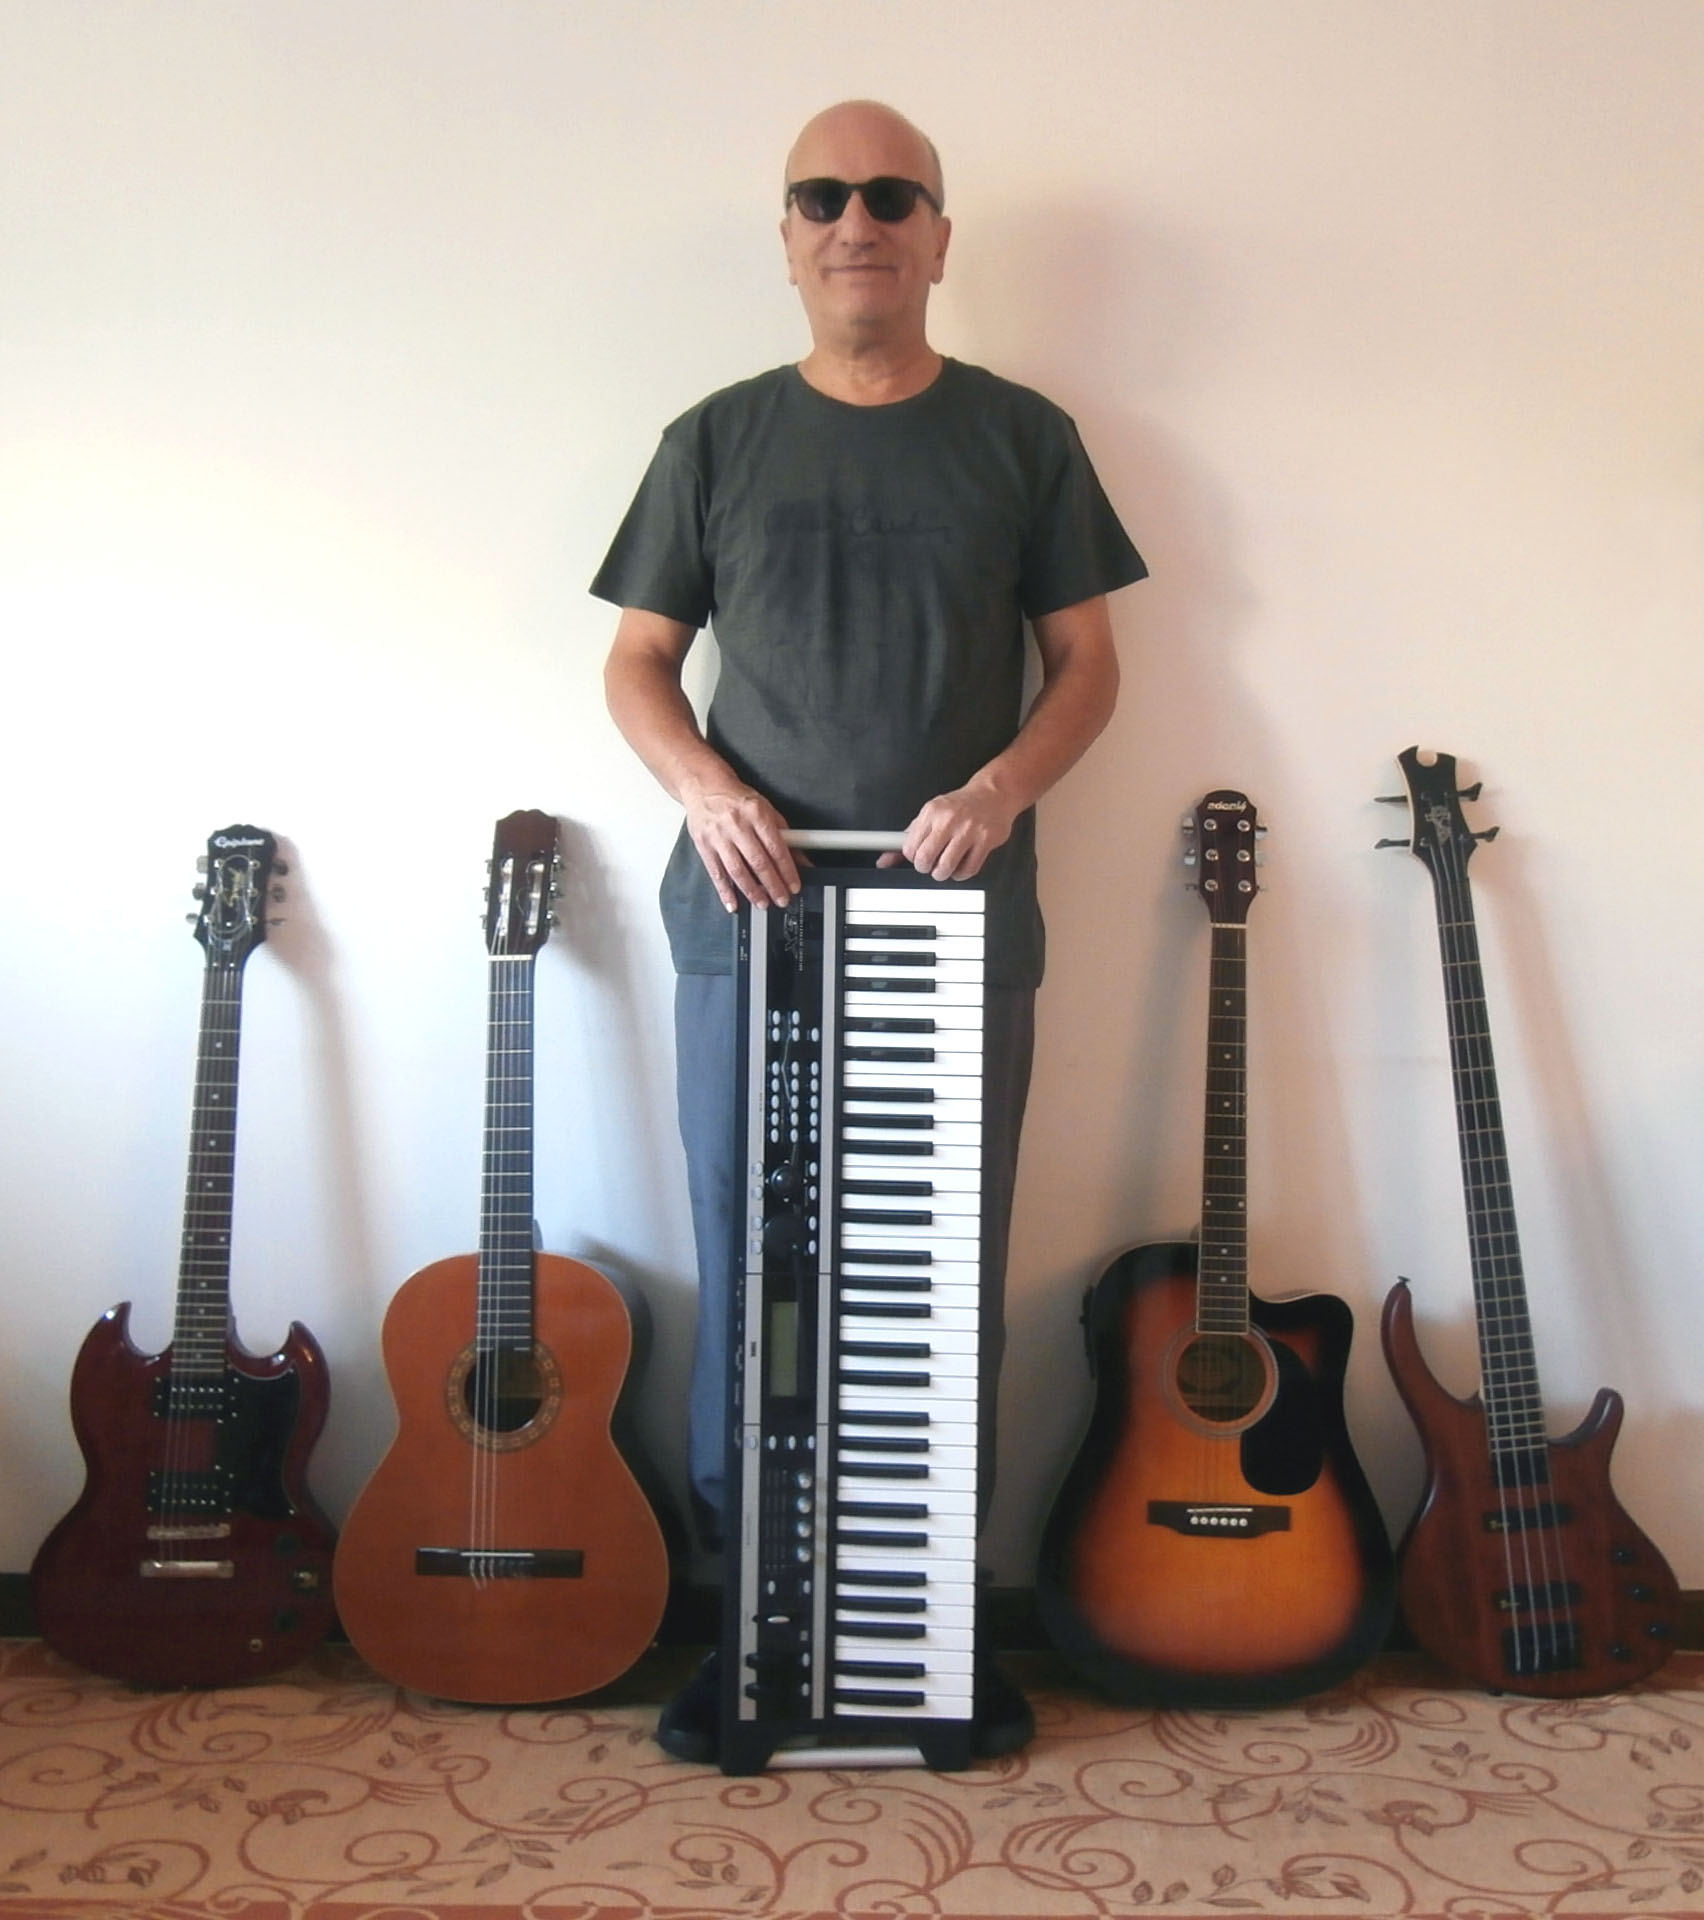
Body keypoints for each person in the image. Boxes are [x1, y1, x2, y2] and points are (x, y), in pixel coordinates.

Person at [594, 99, 1146, 1763]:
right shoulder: (714, 439)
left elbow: (1088, 665)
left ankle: (928, 1631)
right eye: (824, 196)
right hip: (748, 922)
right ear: (787, 238)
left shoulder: (1023, 436)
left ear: (938, 237)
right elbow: (637, 662)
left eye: (893, 196)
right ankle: (752, 1635)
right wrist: (704, 788)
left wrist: (1000, 789)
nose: (859, 221)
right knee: (751, 1263)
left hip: (955, 923)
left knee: (936, 1274)